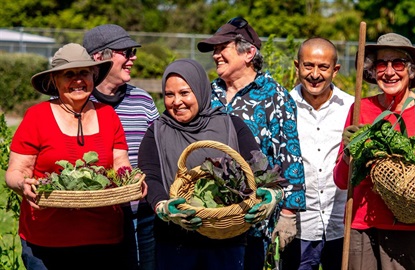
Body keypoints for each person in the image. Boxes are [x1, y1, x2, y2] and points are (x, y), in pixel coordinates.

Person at [334, 33, 415, 270]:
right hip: (361, 226)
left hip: (408, 228)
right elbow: (342, 180)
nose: (389, 71)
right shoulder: (360, 109)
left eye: (397, 63)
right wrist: (348, 153)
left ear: (411, 70)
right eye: (381, 64)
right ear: (372, 71)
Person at [137, 59, 282, 270]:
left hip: (227, 241)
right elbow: (150, 176)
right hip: (175, 241)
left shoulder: (231, 125)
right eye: (169, 94)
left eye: (184, 93)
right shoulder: (157, 131)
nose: (177, 102)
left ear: (200, 90)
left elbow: (259, 167)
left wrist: (272, 195)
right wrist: (164, 207)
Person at [5, 43, 133, 269]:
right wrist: (23, 185)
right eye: (69, 74)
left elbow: (121, 164)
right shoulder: (37, 117)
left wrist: (131, 182)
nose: (78, 80)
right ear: (55, 79)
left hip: (103, 239)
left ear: (94, 75)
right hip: (46, 242)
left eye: (84, 72)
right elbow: (15, 171)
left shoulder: (108, 115)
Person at [197, 16, 306, 269]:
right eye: (214, 50)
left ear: (249, 53)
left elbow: (289, 155)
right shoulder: (208, 92)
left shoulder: (274, 95)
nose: (215, 56)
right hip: (210, 214)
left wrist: (289, 214)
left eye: (221, 48)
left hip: (254, 218)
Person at [83, 24, 160, 270]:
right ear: (99, 57)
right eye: (126, 52)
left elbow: (160, 151)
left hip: (143, 216)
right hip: (92, 219)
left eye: (133, 51)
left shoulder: (143, 100)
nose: (133, 57)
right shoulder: (78, 102)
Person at [280, 37, 353, 270]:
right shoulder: (283, 107)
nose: (315, 74)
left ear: (335, 70)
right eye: (308, 65)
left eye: (323, 67)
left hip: (341, 224)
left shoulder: (351, 107)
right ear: (297, 66)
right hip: (300, 226)